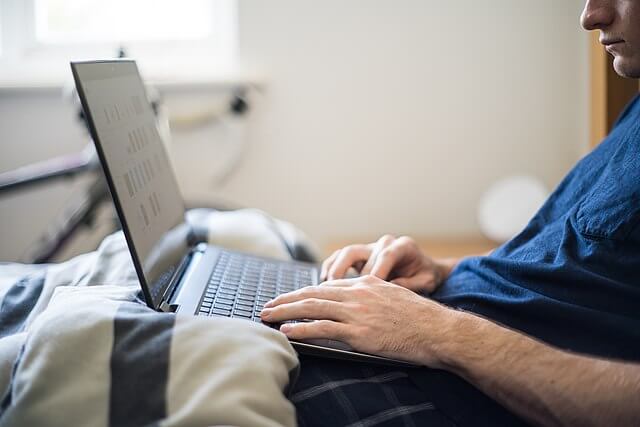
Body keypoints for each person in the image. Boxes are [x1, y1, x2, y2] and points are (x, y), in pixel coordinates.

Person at [260, 1, 640, 425]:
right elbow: (576, 265)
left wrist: (437, 331)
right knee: (212, 293)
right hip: (433, 339)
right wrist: (440, 271)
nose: (591, 16)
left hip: (458, 391)